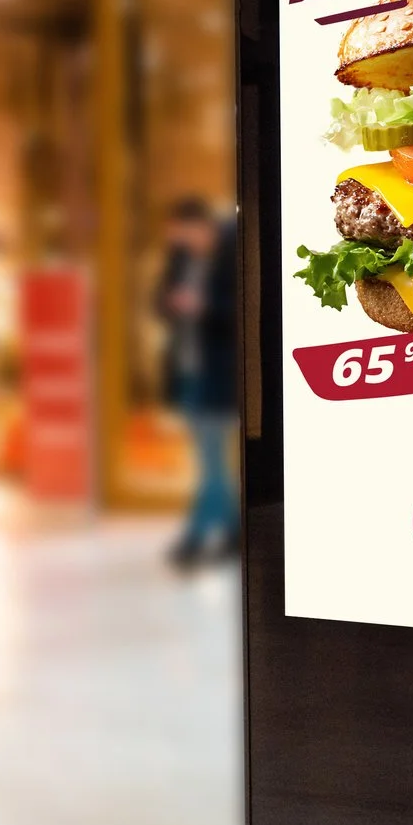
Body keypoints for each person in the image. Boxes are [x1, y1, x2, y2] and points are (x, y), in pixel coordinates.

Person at [157, 197, 239, 568]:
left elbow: (241, 310)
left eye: (185, 236)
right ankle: (235, 533)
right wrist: (171, 303)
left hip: (220, 372)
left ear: (202, 226)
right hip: (188, 370)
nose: (182, 244)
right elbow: (158, 301)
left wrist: (203, 307)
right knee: (209, 459)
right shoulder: (182, 259)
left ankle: (194, 539)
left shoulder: (232, 254)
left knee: (211, 461)